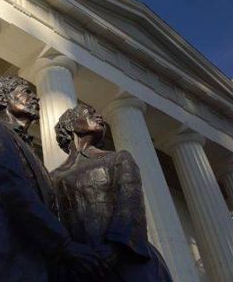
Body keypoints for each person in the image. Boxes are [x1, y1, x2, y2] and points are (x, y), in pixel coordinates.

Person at [0, 76, 103, 282]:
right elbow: (15, 193)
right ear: (2, 98)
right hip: (1, 257)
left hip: (31, 260)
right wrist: (65, 245)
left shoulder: (29, 151)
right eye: (26, 91)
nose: (35, 97)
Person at [52, 104, 173, 282]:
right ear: (70, 125)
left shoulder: (118, 158)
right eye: (89, 113)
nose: (99, 116)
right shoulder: (54, 177)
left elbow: (130, 205)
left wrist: (115, 248)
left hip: (126, 260)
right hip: (82, 267)